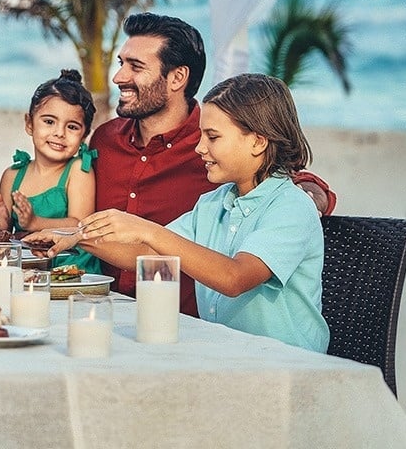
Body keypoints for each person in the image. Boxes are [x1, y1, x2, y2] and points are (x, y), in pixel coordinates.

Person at [52, 73, 330, 352]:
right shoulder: (212, 204)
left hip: (288, 367)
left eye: (213, 137)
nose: (200, 148)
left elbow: (235, 278)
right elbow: (144, 253)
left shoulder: (291, 207)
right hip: (225, 356)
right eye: (201, 136)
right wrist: (73, 237)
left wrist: (147, 228)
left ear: (258, 141)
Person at [84, 12, 337, 317]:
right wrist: (65, 235)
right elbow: (143, 251)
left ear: (177, 77)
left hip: (189, 326)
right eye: (121, 63)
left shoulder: (221, 153)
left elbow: (279, 180)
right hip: (115, 311)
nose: (118, 77)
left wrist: (314, 195)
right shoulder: (105, 141)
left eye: (135, 66)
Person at [0, 69, 102, 275]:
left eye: (73, 127)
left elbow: (79, 225)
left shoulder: (78, 170)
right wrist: (0, 226)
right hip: (30, 272)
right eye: (49, 122)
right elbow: (7, 240)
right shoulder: (12, 175)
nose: (59, 133)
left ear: (84, 135)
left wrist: (35, 223)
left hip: (75, 273)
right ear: (29, 123)